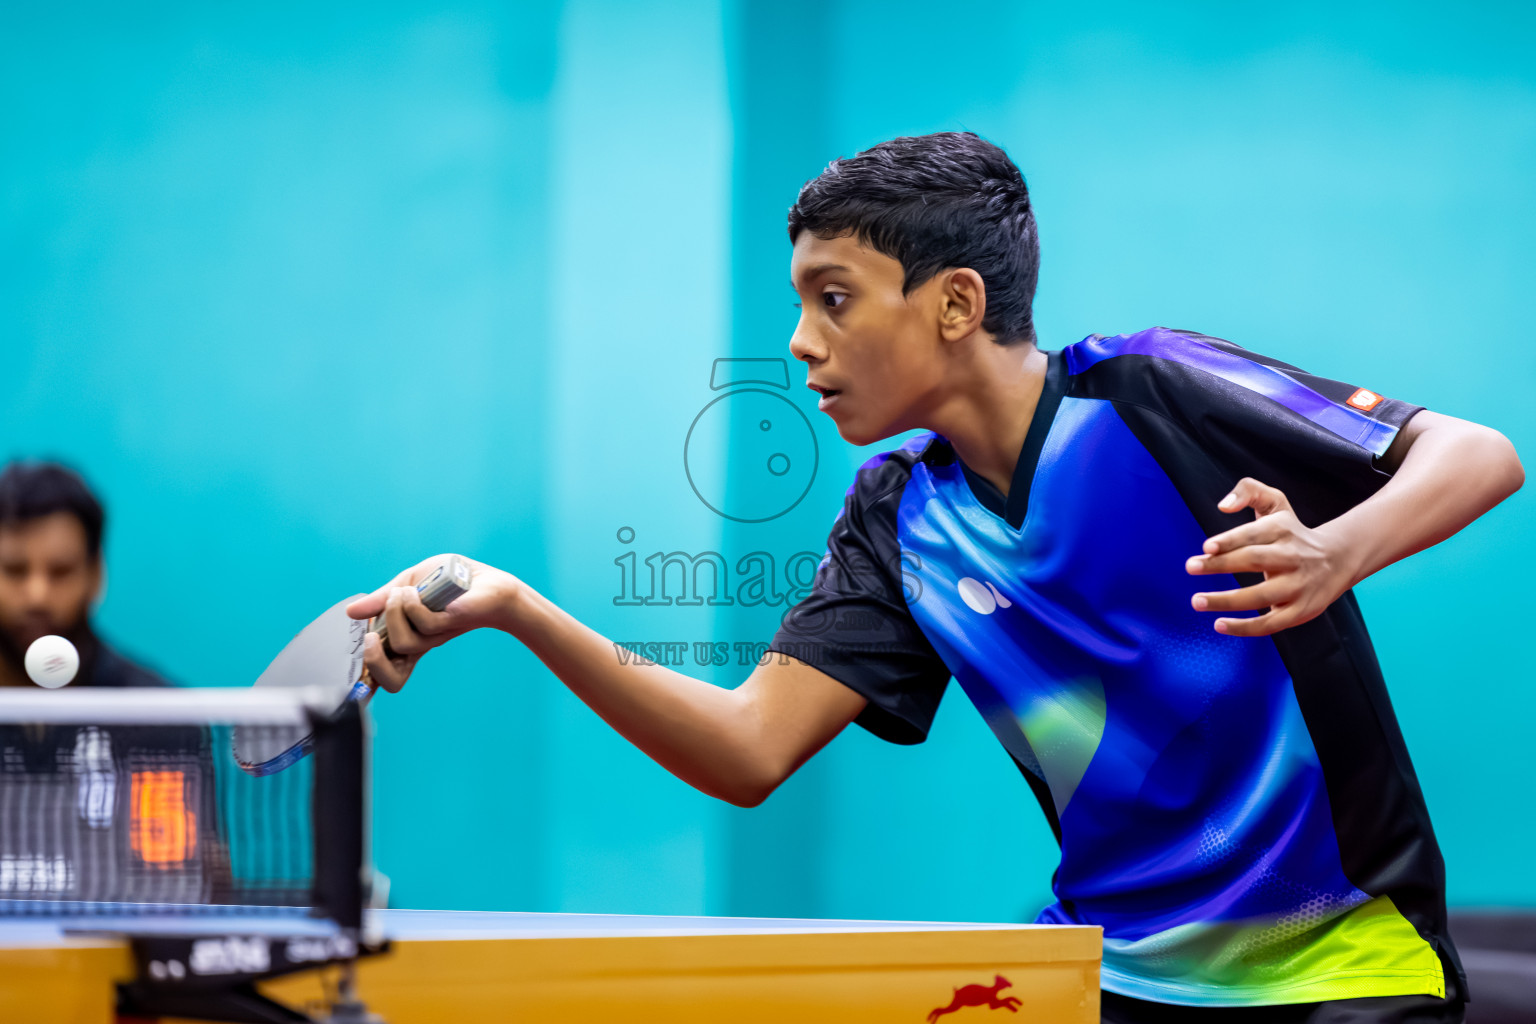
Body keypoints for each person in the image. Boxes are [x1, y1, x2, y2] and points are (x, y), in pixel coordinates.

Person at [347, 133, 1523, 1022]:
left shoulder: (1154, 391)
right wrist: (515, 607)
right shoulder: (899, 515)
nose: (802, 341)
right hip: (1105, 969)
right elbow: (751, 748)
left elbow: (1478, 454)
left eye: (834, 298)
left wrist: (1336, 549)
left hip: (1342, 968)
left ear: (955, 303)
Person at [0, 461, 170, 689]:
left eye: (61, 571)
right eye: (14, 570)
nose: (37, 596)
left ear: (95, 574)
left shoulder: (158, 714)